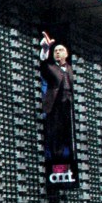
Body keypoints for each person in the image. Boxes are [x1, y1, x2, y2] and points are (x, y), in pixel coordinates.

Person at [38, 31, 75, 175]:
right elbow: (43, 62)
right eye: (56, 51)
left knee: (69, 134)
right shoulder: (51, 68)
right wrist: (46, 49)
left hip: (69, 106)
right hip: (55, 107)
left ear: (66, 54)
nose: (58, 53)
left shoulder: (72, 70)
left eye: (61, 50)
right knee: (56, 135)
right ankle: (57, 163)